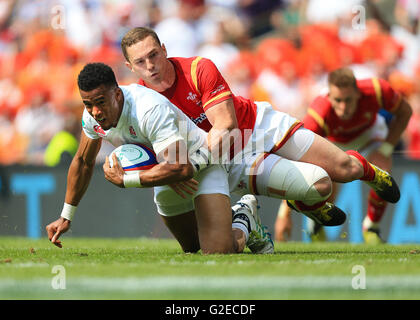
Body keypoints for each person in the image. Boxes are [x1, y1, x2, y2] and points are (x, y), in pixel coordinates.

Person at [120, 27, 400, 228]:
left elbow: (226, 124)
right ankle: (306, 204)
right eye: (140, 62)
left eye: (154, 55)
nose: (151, 65)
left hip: (258, 127)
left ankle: (372, 173)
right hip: (233, 160)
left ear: (165, 50)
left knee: (344, 168)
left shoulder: (198, 69)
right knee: (321, 185)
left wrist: (188, 167)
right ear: (130, 67)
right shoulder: (142, 102)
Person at [45, 62, 278, 255]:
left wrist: (128, 179)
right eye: (88, 105)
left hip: (201, 163)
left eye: (100, 103)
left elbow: (182, 167)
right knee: (192, 248)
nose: (95, 111)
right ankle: (226, 222)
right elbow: (83, 162)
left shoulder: (148, 108)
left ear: (117, 94)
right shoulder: (92, 118)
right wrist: (66, 216)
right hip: (164, 174)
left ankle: (244, 220)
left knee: (218, 251)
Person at [275, 68, 412, 244]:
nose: (343, 107)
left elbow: (405, 111)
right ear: (329, 97)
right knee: (324, 184)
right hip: (333, 143)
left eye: (348, 100)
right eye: (338, 100)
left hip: (369, 135)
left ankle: (371, 228)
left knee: (382, 169)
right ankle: (316, 226)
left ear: (358, 93)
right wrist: (284, 214)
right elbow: (296, 160)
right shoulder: (318, 114)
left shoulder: (377, 90)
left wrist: (386, 149)